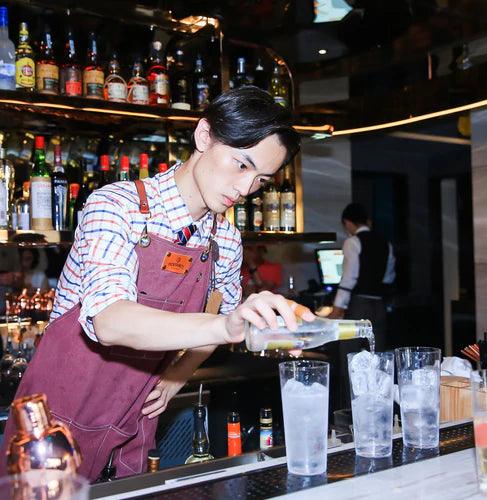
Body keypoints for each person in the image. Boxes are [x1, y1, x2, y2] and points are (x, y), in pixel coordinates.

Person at [0, 86, 311, 480]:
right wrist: (226, 324)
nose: (245, 189)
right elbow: (109, 321)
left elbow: (215, 324)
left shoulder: (225, 241)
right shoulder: (116, 206)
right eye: (241, 165)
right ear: (204, 137)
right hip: (52, 422)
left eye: (262, 180)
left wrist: (177, 375)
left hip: (135, 419)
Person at [328, 202, 395, 351]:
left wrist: (337, 308)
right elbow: (388, 277)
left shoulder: (352, 242)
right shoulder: (386, 243)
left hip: (359, 306)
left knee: (350, 354)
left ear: (348, 223)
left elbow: (349, 277)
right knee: (376, 353)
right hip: (379, 306)